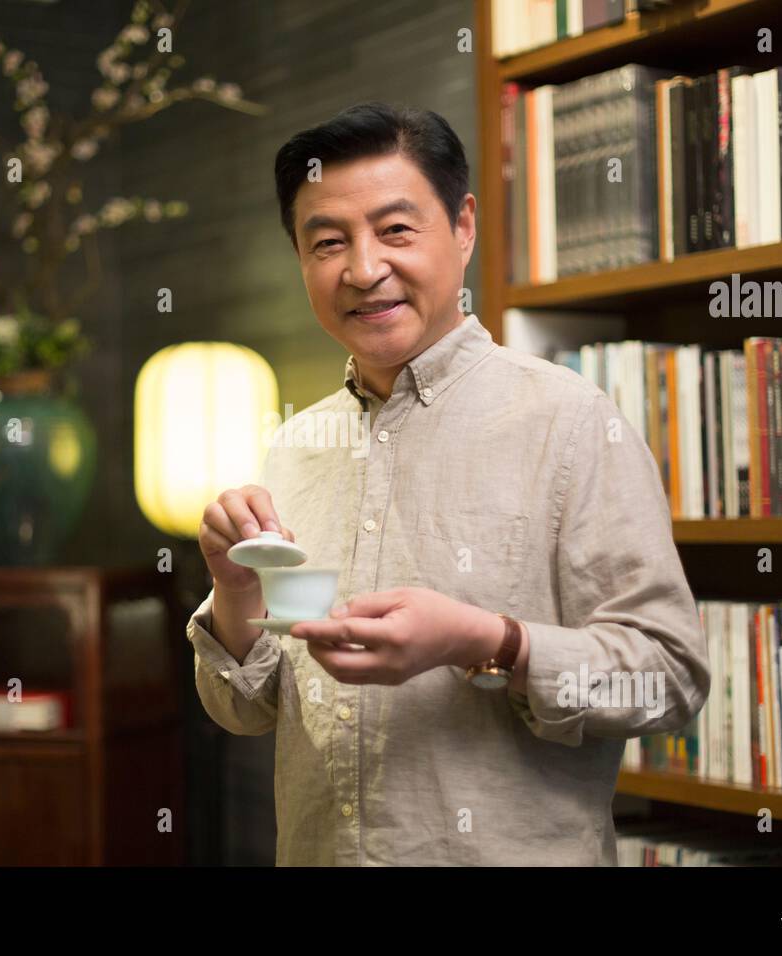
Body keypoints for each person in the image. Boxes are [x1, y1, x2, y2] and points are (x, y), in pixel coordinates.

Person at [185, 101, 710, 865]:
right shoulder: (296, 444)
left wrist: (485, 641)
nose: (363, 269)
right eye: (327, 242)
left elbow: (669, 679)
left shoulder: (567, 420)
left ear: (462, 227)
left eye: (396, 230)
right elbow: (246, 709)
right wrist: (234, 590)